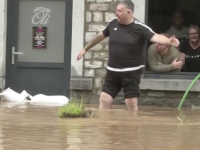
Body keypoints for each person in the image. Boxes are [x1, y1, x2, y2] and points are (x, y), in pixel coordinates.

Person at [77, 1, 179, 111]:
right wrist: (86, 48)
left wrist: (168, 41)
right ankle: (105, 126)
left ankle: (132, 126)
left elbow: (156, 37)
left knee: (130, 102)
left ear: (128, 12)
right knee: (104, 99)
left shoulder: (140, 27)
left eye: (119, 11)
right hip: (113, 71)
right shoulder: (113, 24)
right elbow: (100, 36)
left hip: (131, 72)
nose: (116, 13)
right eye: (116, 10)